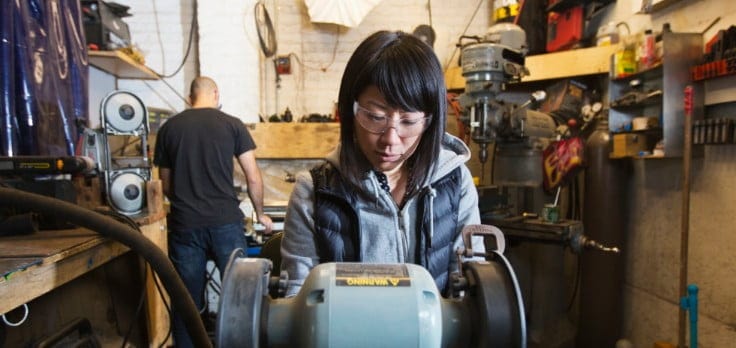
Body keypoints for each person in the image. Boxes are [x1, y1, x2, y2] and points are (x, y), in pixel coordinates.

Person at [280, 30, 485, 298]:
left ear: (429, 121)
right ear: (349, 111)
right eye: (375, 117)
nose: (390, 139)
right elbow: (297, 300)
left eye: (409, 122)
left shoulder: (455, 182)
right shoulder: (314, 191)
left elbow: (471, 287)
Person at [153, 76, 273, 348]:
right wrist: (260, 213)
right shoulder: (232, 125)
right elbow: (253, 177)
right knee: (242, 299)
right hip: (226, 224)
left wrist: (187, 201)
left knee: (186, 300)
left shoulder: (169, 128)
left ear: (189, 96)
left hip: (185, 225)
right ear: (215, 93)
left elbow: (165, 183)